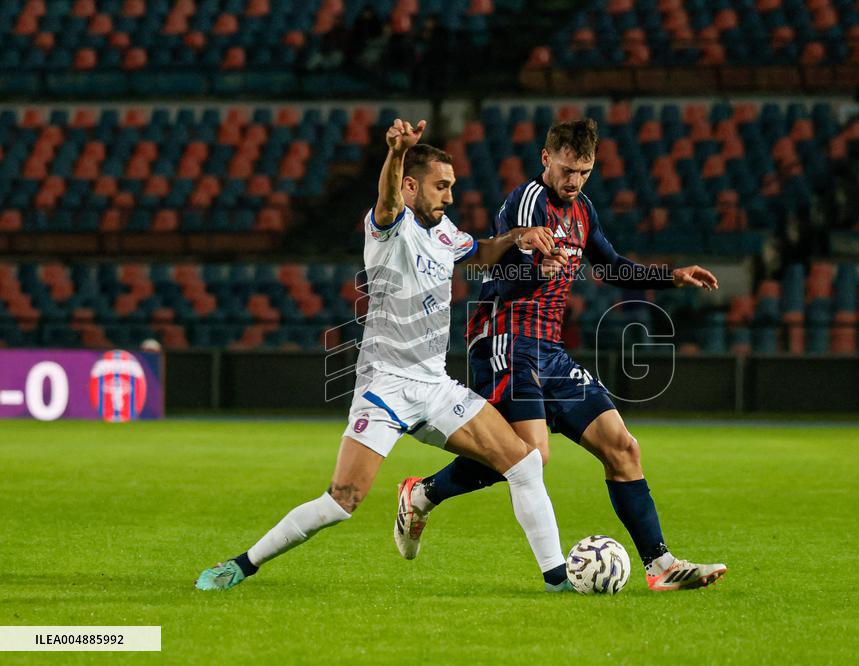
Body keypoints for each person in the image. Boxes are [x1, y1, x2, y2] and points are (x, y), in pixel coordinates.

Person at [196, 119, 572, 592]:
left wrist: (516, 238)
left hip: (434, 386)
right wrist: (395, 154)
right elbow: (388, 200)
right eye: (441, 186)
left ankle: (558, 579)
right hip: (385, 386)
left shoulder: (444, 231)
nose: (450, 196)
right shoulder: (390, 228)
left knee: (524, 462)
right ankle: (242, 564)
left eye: (452, 186)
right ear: (410, 185)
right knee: (342, 500)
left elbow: (477, 253)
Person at [395, 118, 728, 591]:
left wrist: (671, 276)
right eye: (568, 169)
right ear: (546, 159)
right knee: (530, 455)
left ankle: (661, 565)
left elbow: (612, 267)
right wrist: (538, 271)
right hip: (504, 337)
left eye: (585, 172)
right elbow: (497, 278)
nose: (574, 181)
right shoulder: (527, 202)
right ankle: (424, 493)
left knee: (623, 447)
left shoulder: (583, 209)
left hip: (549, 348)